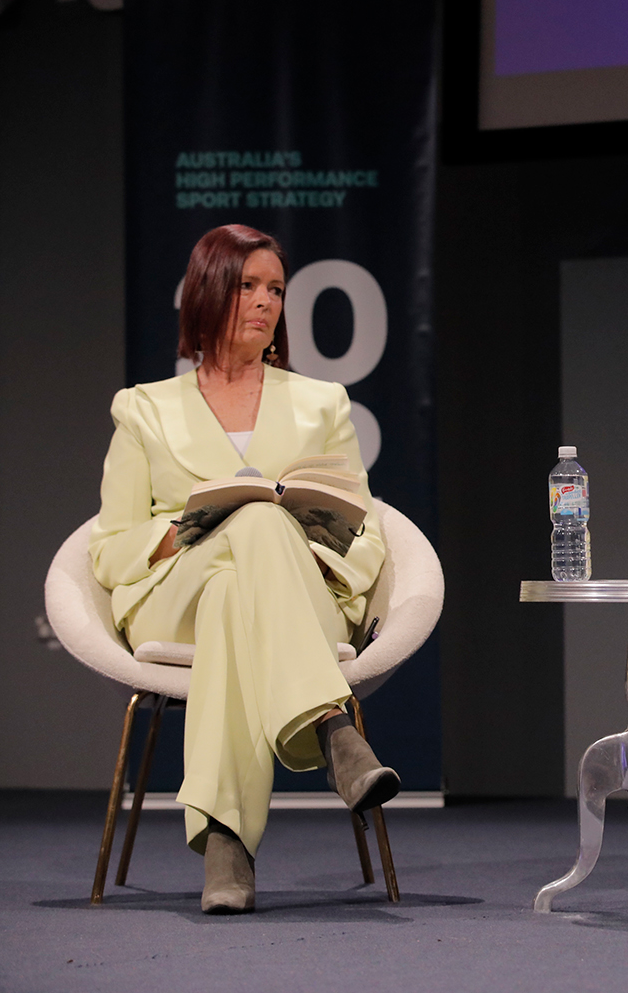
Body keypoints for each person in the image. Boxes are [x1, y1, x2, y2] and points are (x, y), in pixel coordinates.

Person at [89, 224, 398, 914]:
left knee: (243, 578)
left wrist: (293, 540)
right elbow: (109, 549)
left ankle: (226, 843)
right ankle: (328, 726)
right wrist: (186, 528)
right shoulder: (143, 409)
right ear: (206, 294)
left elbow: (367, 532)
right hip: (174, 593)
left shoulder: (322, 404)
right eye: (247, 285)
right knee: (244, 531)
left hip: (295, 592)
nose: (265, 302)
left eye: (276, 289)